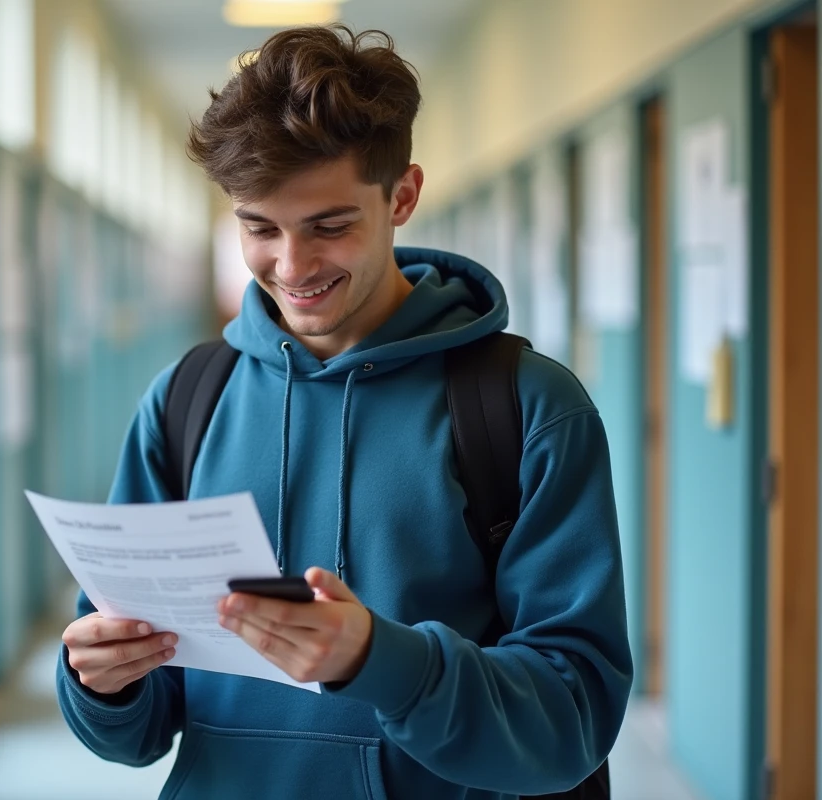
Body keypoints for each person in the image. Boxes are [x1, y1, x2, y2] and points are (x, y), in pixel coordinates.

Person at [55, 23, 632, 799]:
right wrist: (101, 683)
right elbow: (141, 724)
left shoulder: (526, 408)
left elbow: (572, 717)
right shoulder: (186, 402)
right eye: (260, 228)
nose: (291, 268)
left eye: (329, 226)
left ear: (403, 196)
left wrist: (379, 661)